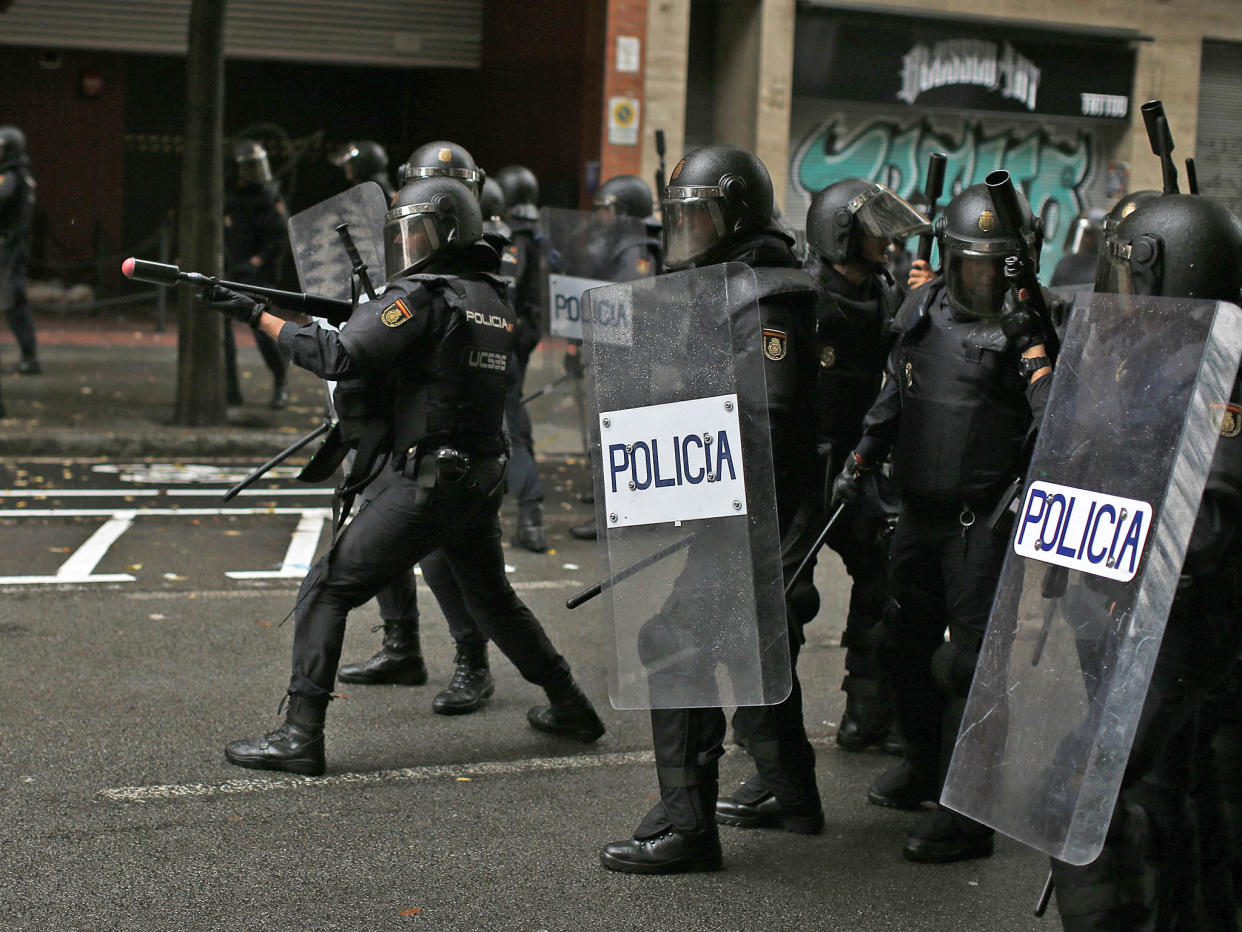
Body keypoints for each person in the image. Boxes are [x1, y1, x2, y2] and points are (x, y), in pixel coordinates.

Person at [203, 174, 605, 775]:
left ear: (449, 234)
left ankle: (299, 734)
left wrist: (260, 316)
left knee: (327, 589)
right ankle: (572, 705)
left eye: (420, 233)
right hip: (478, 479)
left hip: (430, 485)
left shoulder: (421, 296)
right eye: (405, 234)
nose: (410, 245)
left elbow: (338, 356)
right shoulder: (491, 297)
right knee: (494, 602)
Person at [599, 144, 821, 874]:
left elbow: (771, 414)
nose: (688, 229)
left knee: (672, 644)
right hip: (729, 510)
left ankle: (689, 827)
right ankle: (793, 796)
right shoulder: (712, 283)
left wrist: (679, 432)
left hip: (754, 516)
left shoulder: (768, 293)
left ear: (739, 212)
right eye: (681, 216)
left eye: (702, 214)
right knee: (746, 649)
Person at [833, 181, 1055, 863]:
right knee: (901, 646)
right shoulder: (922, 307)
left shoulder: (1028, 325)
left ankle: (967, 813)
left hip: (979, 521)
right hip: (918, 515)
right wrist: (863, 457)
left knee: (969, 667)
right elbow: (895, 392)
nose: (982, 277)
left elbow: (1057, 422)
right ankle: (925, 768)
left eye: (995, 264)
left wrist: (1037, 350)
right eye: (972, 263)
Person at [1049, 190, 1242, 930]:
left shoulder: (1215, 367)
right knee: (1170, 795)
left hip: (1186, 627)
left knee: (1090, 788)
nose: (1119, 293)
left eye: (1132, 277)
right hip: (1144, 620)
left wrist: (1128, 543)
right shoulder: (1147, 355)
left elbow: (1210, 517)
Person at [337, 141, 498, 717]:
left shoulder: (484, 249)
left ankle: (471, 661)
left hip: (451, 417)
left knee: (445, 553)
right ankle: (400, 644)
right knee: (377, 516)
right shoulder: (407, 234)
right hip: (392, 409)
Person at [801, 178, 927, 753]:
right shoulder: (801, 296)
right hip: (802, 465)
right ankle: (763, 725)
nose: (887, 243)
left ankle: (865, 708)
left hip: (860, 458)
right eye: (874, 232)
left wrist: (923, 297)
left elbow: (912, 349)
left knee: (881, 577)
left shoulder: (883, 289)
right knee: (786, 597)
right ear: (841, 236)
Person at [569, 174, 663, 542]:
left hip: (625, 356)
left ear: (624, 211)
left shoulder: (635, 250)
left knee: (613, 433)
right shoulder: (620, 243)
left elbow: (627, 301)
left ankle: (613, 514)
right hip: (615, 352)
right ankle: (608, 496)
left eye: (606, 209)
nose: (600, 216)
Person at [493, 164, 548, 553]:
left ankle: (531, 517)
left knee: (509, 430)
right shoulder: (536, 238)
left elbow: (507, 296)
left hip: (500, 346)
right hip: (517, 346)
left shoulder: (510, 241)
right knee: (515, 423)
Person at [223, 138, 292, 409]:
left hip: (256, 274)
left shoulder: (269, 195)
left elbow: (278, 236)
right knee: (221, 338)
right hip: (229, 270)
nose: (254, 173)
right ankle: (230, 389)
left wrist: (258, 260)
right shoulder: (227, 196)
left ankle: (280, 381)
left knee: (264, 331)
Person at [0, 125, 39, 376]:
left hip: (8, 250)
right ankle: (29, 356)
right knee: (14, 303)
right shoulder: (21, 175)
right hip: (13, 249)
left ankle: (30, 357)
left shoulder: (11, 177)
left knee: (14, 303)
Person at [1049, 209, 1106, 287]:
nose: (1085, 239)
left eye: (1090, 235)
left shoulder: (1105, 271)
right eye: (1084, 234)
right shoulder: (1065, 263)